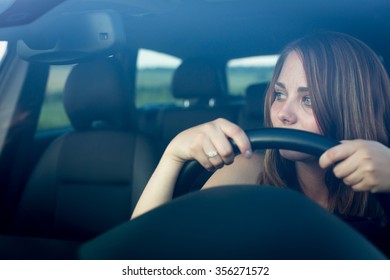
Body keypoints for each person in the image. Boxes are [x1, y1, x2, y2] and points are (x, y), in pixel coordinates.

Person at [131, 31, 390, 241]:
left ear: (351, 108)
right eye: (279, 94)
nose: (283, 114)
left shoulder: (384, 177)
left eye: (308, 99)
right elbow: (139, 256)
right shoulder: (246, 172)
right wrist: (173, 156)